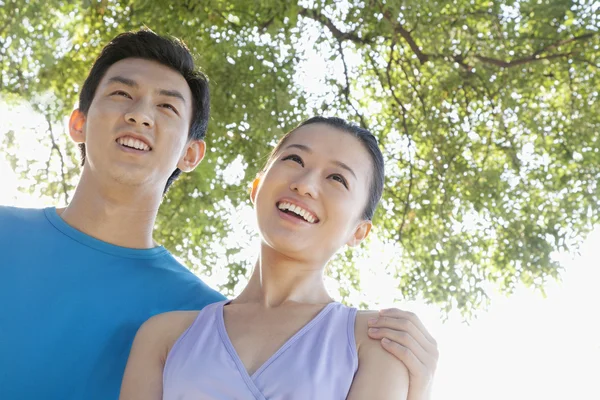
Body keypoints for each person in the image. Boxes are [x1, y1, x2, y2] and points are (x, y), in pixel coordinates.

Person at [0, 30, 437, 400]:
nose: (139, 115)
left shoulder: (192, 316)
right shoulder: (172, 333)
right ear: (77, 122)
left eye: (167, 107)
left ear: (192, 153)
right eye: (120, 94)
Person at [120, 117, 439, 399]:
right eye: (294, 159)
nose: (305, 185)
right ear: (257, 186)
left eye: (337, 179)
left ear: (359, 231)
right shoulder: (164, 336)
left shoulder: (379, 341)